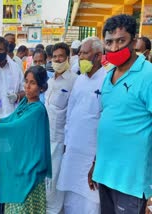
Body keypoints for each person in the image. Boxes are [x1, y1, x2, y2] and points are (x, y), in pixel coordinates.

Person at [88, 14, 152, 214]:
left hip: (131, 181)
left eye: (121, 41)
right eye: (109, 42)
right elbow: (109, 120)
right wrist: (96, 163)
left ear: (134, 41)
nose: (114, 48)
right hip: (106, 175)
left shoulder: (148, 75)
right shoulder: (109, 76)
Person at [0, 65, 51, 213]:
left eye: (32, 83)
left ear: (41, 87)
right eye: (26, 81)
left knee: (24, 206)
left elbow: (16, 128)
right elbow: (10, 121)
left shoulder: (37, 110)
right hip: (20, 161)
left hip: (31, 165)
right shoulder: (24, 103)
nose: (27, 86)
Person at [56, 37, 105, 214]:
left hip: (91, 154)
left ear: (98, 56)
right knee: (70, 200)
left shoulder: (105, 81)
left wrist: (97, 160)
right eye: (80, 53)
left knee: (90, 202)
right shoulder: (80, 80)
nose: (80, 57)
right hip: (73, 151)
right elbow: (71, 113)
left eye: (85, 53)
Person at [44, 42, 77, 214]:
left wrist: (68, 142)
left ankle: (54, 211)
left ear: (67, 58)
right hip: (46, 138)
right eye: (54, 56)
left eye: (61, 56)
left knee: (55, 180)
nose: (57, 59)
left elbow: (73, 114)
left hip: (60, 140)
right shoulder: (49, 81)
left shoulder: (74, 81)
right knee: (47, 180)